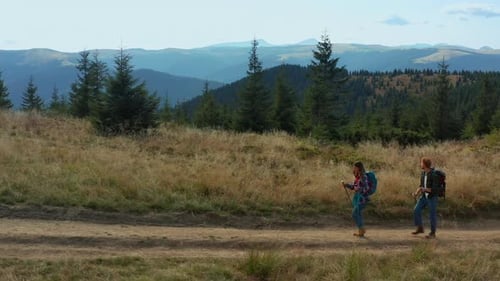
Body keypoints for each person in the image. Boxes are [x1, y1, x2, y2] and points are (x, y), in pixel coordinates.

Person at [411, 157, 440, 239]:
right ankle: (420, 228)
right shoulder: (423, 173)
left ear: (425, 164)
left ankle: (432, 233)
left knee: (432, 215)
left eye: (421, 163)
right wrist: (416, 193)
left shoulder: (434, 175)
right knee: (416, 210)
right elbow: (421, 186)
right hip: (424, 196)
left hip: (432, 197)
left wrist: (425, 189)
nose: (420, 164)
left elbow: (434, 189)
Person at [342, 161, 370, 237]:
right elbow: (354, 186)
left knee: (355, 213)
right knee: (358, 213)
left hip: (362, 199)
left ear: (358, 168)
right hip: (359, 198)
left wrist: (359, 189)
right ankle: (361, 231)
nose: (353, 168)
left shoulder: (363, 176)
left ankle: (361, 229)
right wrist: (347, 185)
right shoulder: (358, 177)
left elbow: (366, 187)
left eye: (355, 167)